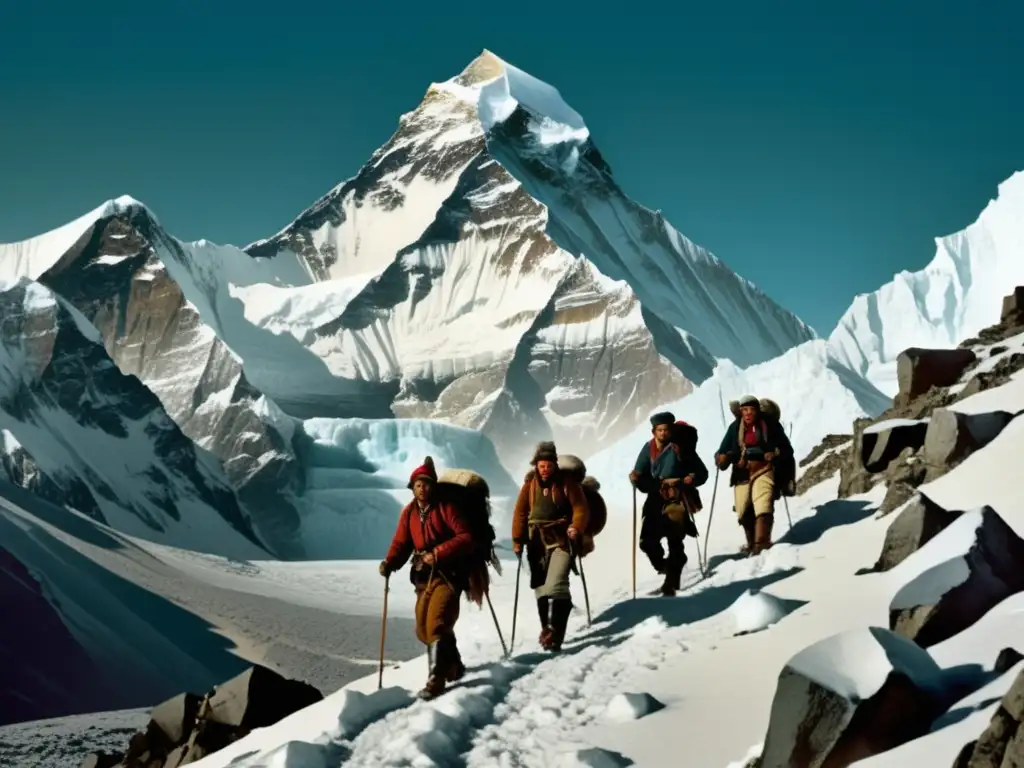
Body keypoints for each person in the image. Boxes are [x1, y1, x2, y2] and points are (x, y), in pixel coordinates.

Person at [379, 457, 474, 700]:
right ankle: (454, 665)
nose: (422, 488)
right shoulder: (410, 512)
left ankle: (436, 679)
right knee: (423, 630)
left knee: (436, 623)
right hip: (423, 576)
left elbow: (465, 537)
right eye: (418, 484)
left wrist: (438, 553)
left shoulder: (446, 508)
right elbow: (402, 542)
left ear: (433, 486)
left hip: (449, 574)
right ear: (412, 487)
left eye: (426, 484)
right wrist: (390, 562)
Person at [511, 441, 590, 652]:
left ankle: (554, 634)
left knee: (556, 585)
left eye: (548, 465)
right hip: (536, 541)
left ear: (555, 465)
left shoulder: (567, 484)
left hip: (561, 539)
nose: (545, 469)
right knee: (540, 589)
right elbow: (520, 514)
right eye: (541, 465)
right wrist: (518, 540)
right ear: (536, 466)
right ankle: (546, 629)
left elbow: (580, 508)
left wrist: (575, 527)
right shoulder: (529, 487)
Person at [629, 411, 709, 596]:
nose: (663, 433)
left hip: (677, 497)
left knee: (674, 538)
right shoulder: (648, 448)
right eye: (660, 430)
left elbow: (701, 472)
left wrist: (691, 478)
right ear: (653, 431)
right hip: (655, 498)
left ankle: (670, 584)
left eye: (666, 429)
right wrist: (635, 478)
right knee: (647, 542)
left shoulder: (681, 448)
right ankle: (667, 565)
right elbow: (640, 472)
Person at [714, 395, 794, 555]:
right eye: (744, 410)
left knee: (763, 504)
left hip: (764, 468)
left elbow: (787, 449)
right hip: (741, 471)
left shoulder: (770, 425)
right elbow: (721, 451)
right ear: (741, 411)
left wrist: (775, 453)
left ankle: (762, 543)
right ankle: (752, 544)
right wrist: (722, 458)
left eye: (751, 409)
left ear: (757, 410)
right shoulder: (735, 428)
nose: (748, 413)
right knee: (743, 510)